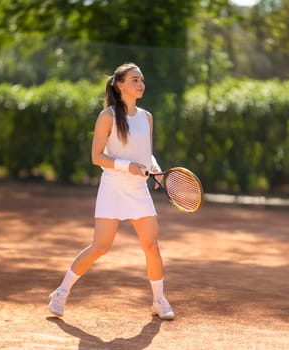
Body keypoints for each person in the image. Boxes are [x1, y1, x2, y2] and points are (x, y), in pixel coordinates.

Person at [48, 62, 174, 320]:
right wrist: (127, 166)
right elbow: (96, 157)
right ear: (119, 85)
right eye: (135, 80)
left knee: (151, 246)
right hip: (113, 188)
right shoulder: (107, 116)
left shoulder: (146, 116)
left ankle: (159, 300)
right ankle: (61, 292)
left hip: (139, 190)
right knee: (100, 247)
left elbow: (146, 154)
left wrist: (156, 169)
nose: (140, 84)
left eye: (142, 80)